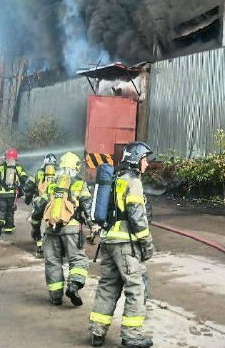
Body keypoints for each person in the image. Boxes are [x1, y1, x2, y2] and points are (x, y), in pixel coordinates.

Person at [89, 142, 155, 348]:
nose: (147, 164)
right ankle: (132, 336)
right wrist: (147, 243)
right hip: (125, 244)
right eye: (145, 159)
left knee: (108, 286)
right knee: (136, 288)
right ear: (136, 159)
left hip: (108, 240)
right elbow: (136, 215)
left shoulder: (115, 178)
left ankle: (97, 332)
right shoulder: (132, 181)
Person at [37, 151, 92, 306]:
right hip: (72, 229)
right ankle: (73, 285)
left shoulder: (51, 183)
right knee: (77, 259)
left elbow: (40, 205)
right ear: (76, 166)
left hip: (51, 229)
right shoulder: (80, 183)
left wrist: (37, 230)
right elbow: (87, 204)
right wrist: (92, 225)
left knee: (53, 262)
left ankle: (55, 297)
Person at [0, 148, 29, 236]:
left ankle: (0, 222)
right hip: (12, 193)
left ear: (6, 157)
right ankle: (8, 228)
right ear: (16, 157)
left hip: (0, 193)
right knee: (10, 211)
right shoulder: (18, 167)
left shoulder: (1, 166)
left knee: (0, 209)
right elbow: (24, 179)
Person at [24, 153, 58, 257]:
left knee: (35, 220)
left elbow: (28, 186)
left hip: (39, 201)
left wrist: (28, 198)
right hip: (54, 201)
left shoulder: (37, 173)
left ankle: (38, 239)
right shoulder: (59, 173)